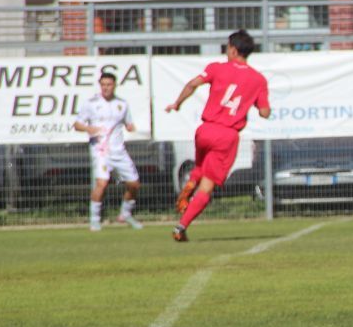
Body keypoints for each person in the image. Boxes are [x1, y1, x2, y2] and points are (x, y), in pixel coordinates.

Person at [165, 30, 270, 241]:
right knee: (207, 186)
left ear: (233, 50)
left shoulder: (216, 68)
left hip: (205, 130)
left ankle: (190, 184)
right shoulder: (258, 79)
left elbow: (192, 84)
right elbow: (264, 112)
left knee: (200, 167)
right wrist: (257, 106)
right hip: (227, 136)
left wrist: (177, 103)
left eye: (227, 48)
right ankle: (181, 227)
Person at [74, 72, 144, 231]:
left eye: (109, 84)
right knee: (102, 183)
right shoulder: (91, 104)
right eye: (103, 85)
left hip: (119, 151)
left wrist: (132, 128)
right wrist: (89, 128)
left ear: (114, 85)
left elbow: (129, 124)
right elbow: (77, 124)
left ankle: (125, 214)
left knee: (134, 184)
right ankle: (94, 220)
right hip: (100, 151)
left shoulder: (122, 104)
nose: (106, 88)